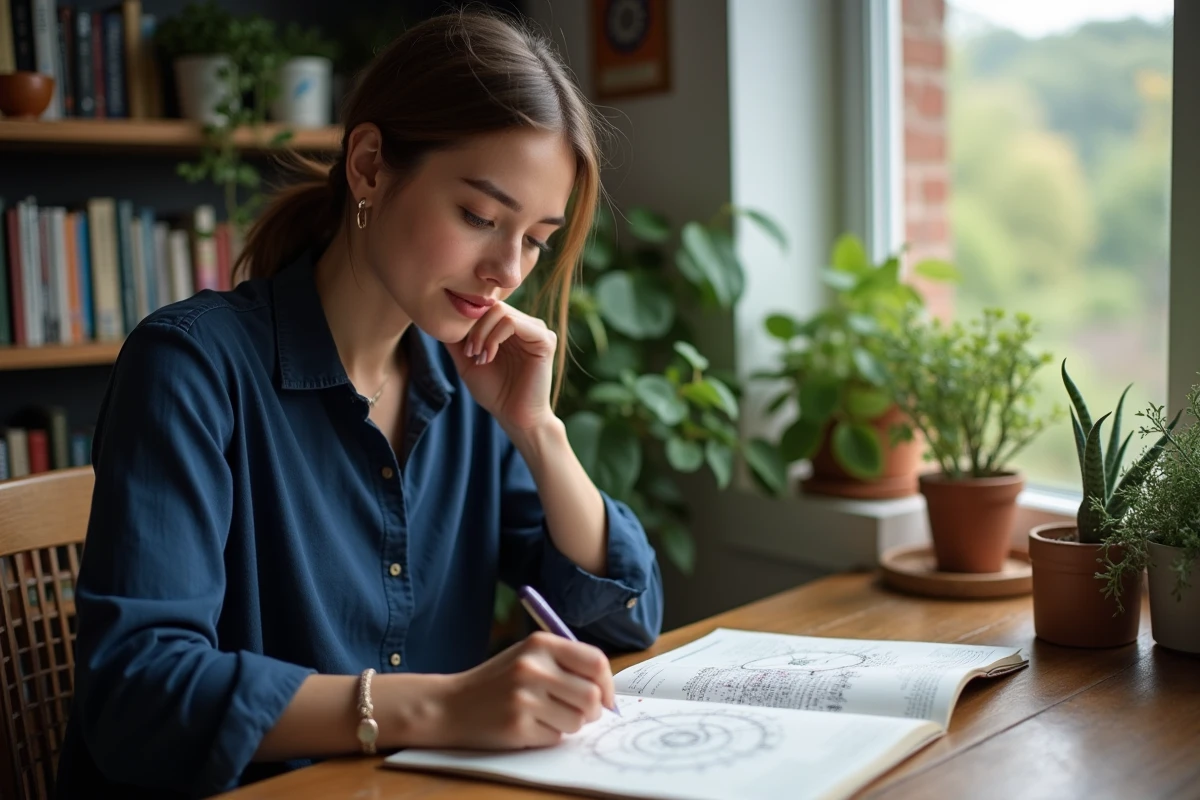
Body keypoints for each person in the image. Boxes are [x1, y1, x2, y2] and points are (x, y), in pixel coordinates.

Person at [54, 10, 664, 798]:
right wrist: (439, 705)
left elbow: (623, 617)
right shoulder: (190, 367)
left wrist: (539, 431)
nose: (507, 269)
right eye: (480, 217)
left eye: (536, 238)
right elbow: (140, 692)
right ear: (371, 165)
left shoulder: (469, 388)